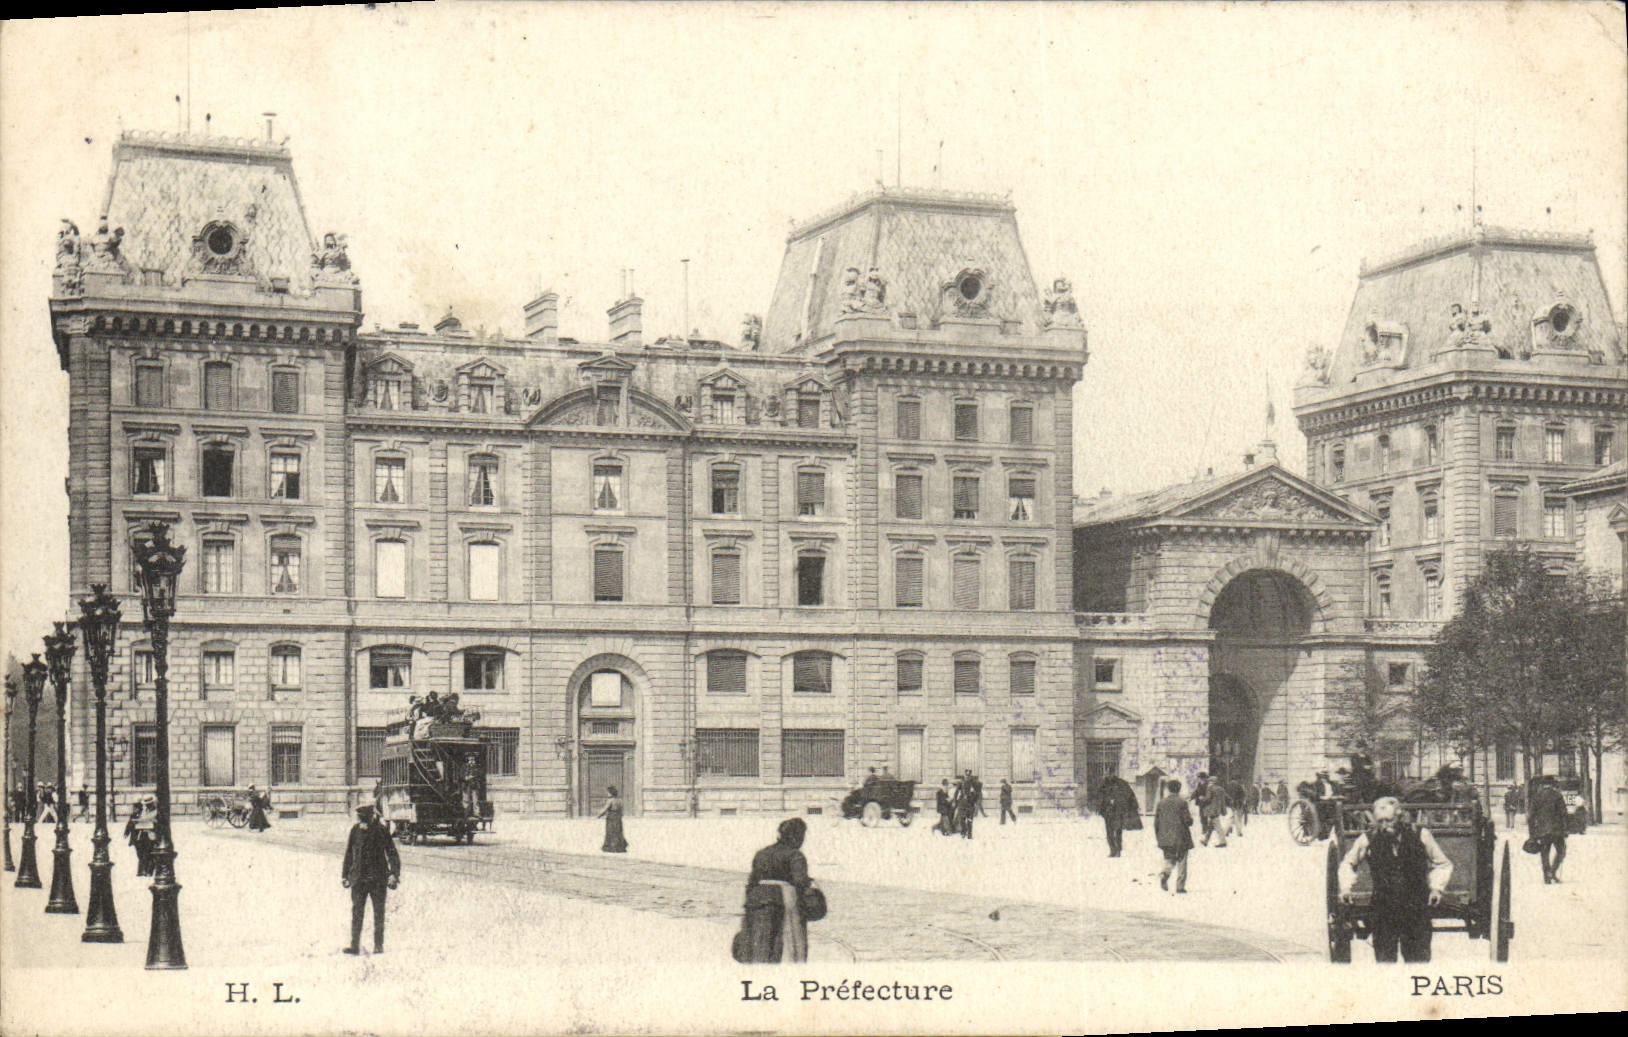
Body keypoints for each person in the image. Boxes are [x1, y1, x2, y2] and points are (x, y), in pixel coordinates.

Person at [1339, 796, 1452, 962]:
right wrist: (1346, 888)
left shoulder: (1421, 835)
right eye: (1380, 821)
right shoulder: (1368, 839)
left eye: (1389, 820)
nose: (1385, 826)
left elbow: (1443, 864)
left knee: (1418, 962)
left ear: (1399, 817)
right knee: (1385, 963)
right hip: (1383, 910)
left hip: (1416, 910)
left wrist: (1436, 888)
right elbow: (1347, 863)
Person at [740, 818, 815, 963]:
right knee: (786, 946)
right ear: (796, 836)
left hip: (757, 901)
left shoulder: (761, 853)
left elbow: (752, 881)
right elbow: (800, 882)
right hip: (784, 901)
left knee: (758, 944)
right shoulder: (795, 855)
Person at [342, 803, 401, 955]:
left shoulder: (381, 830)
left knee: (378, 913)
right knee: (357, 913)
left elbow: (392, 853)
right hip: (359, 879)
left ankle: (378, 945)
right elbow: (349, 854)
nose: (360, 821)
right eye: (359, 818)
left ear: (370, 816)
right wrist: (345, 875)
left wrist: (394, 874)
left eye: (363, 818)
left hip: (378, 879)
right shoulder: (355, 830)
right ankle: (354, 946)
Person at [1154, 779, 1194, 893]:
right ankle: (1180, 886)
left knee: (1169, 859)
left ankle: (1165, 875)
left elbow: (1156, 823)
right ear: (1179, 789)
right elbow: (1188, 821)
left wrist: (1159, 837)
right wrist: (1191, 820)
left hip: (1165, 837)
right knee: (1182, 860)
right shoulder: (1182, 802)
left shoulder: (1161, 803)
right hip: (1181, 836)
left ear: (1168, 789)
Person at [1527, 776, 1568, 884]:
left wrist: (1532, 834)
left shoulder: (1537, 796)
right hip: (1556, 830)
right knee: (1561, 851)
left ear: (1542, 785)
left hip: (1542, 831)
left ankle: (1546, 876)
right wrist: (1565, 829)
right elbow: (1564, 814)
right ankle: (1553, 872)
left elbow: (1530, 817)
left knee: (1544, 853)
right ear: (1552, 784)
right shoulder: (1557, 796)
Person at [1094, 774, 1142, 857]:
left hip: (1117, 812)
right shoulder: (1105, 784)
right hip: (1109, 812)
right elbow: (1098, 796)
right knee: (1112, 832)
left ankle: (1117, 850)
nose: (1109, 774)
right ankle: (1114, 850)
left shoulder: (1120, 783)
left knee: (1116, 831)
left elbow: (1129, 795)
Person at [126, 794, 157, 877]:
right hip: (141, 835)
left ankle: (148, 871)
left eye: (149, 804)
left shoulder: (155, 811)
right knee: (141, 853)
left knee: (149, 853)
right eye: (146, 804)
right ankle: (142, 870)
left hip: (150, 834)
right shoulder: (142, 811)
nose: (147, 805)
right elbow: (132, 822)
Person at [598, 786, 628, 853]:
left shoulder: (610, 800)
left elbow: (605, 809)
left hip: (611, 818)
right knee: (618, 831)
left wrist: (599, 815)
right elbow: (621, 810)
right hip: (618, 818)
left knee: (611, 832)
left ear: (611, 793)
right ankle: (620, 847)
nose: (607, 794)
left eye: (608, 792)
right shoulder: (619, 800)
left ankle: (611, 847)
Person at [1202, 779, 1231, 847]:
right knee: (1211, 826)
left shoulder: (1210, 788)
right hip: (1218, 809)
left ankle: (1223, 841)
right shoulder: (1221, 789)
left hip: (1212, 809)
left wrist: (1202, 798)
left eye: (1209, 782)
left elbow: (1208, 798)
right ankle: (1205, 841)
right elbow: (1226, 797)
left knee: (1218, 826)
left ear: (1211, 782)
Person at [1191, 773, 1213, 843]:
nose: (1200, 779)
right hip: (1201, 803)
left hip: (1207, 803)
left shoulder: (1208, 785)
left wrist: (1204, 797)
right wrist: (1191, 797)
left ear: (1204, 778)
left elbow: (1210, 794)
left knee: (1206, 816)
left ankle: (1207, 829)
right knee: (1202, 816)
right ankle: (1204, 829)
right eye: (1199, 778)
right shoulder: (1199, 784)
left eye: (1201, 777)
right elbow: (1196, 792)